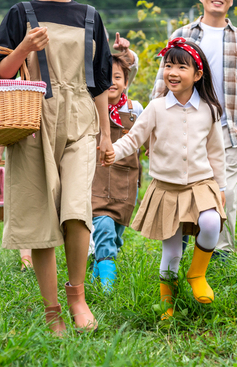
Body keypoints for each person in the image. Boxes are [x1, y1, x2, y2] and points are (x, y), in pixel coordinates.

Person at [0, 0, 113, 334]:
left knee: (77, 211)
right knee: (40, 216)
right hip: (33, 120)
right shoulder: (21, 13)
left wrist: (106, 135)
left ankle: (78, 295)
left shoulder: (90, 16)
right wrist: (25, 48)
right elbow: (1, 75)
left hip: (79, 118)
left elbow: (100, 82)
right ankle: (51, 310)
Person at [105, 38, 226, 319]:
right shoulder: (156, 108)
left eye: (181, 67)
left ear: (197, 74)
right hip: (167, 188)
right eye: (168, 65)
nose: (172, 72)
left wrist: (220, 187)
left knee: (211, 222)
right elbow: (133, 139)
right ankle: (167, 305)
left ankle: (197, 274)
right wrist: (112, 151)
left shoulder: (208, 110)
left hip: (200, 184)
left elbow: (216, 152)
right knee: (171, 249)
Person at [151, 0, 237, 259]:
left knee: (225, 197)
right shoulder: (182, 35)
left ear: (232, 1)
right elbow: (161, 86)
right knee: (181, 191)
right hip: (184, 129)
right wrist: (156, 131)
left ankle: (220, 260)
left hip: (228, 133)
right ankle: (177, 258)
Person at [90, 50, 144, 292]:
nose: (112, 82)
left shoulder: (136, 110)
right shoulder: (90, 108)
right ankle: (108, 283)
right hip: (97, 179)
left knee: (115, 235)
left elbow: (147, 140)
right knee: (102, 225)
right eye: (106, 76)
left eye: (118, 77)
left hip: (126, 181)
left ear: (126, 82)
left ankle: (97, 271)